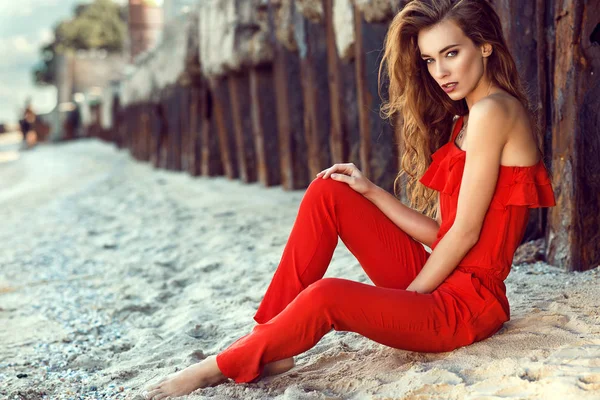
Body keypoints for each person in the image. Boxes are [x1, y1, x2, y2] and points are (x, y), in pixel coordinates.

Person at [143, 0, 556, 398]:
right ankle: (270, 338)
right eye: (430, 60)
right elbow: (445, 233)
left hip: (466, 307)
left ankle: (223, 364)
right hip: (443, 279)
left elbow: (465, 235)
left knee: (328, 295)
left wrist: (410, 299)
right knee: (331, 191)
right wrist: (372, 192)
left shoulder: (494, 112)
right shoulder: (466, 120)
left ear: (484, 46)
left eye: (451, 53)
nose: (441, 71)